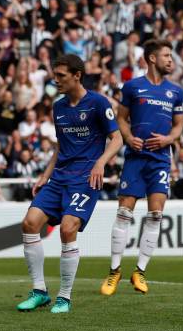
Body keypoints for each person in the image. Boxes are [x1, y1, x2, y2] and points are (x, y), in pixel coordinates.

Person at [17, 54, 122, 313]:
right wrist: (45, 175)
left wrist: (101, 162)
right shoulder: (58, 107)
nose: (56, 80)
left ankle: (64, 296)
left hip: (85, 179)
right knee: (30, 223)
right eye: (55, 75)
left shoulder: (98, 103)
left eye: (61, 76)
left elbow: (117, 138)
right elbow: (60, 146)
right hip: (59, 177)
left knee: (67, 228)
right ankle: (40, 291)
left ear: (77, 75)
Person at [100, 39, 183, 296]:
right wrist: (127, 137)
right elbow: (121, 119)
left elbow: (180, 124)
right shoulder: (133, 87)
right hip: (136, 157)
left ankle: (140, 271)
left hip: (160, 158)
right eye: (167, 56)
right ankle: (115, 271)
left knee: (156, 214)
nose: (171, 60)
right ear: (151, 58)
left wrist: (169, 139)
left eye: (171, 56)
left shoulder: (176, 91)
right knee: (124, 212)